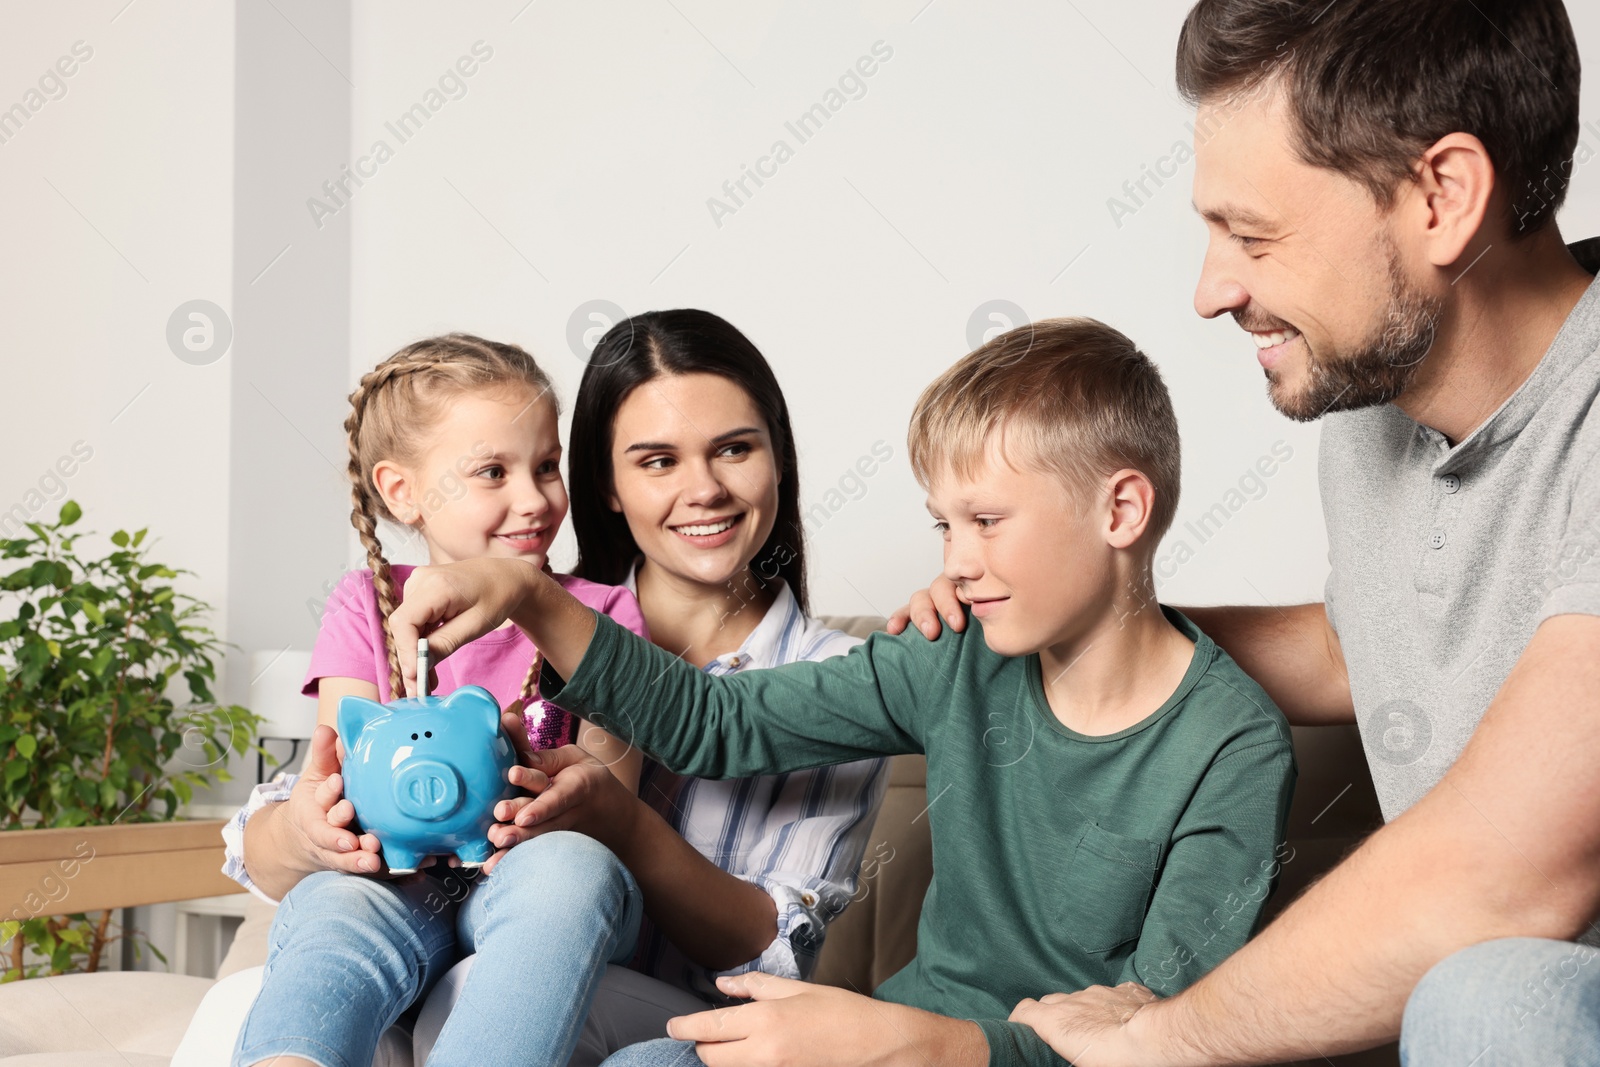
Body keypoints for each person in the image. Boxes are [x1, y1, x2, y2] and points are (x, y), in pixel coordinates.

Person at [895, 2, 1600, 1064]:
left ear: (1442, 196)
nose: (1210, 289)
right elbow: (1358, 642)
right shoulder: (1372, 417)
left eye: (1253, 234)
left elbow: (1502, 875)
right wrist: (1085, 625)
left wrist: (1157, 1037)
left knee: (1488, 996)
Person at [386, 317, 1299, 1067]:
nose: (957, 563)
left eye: (985, 522)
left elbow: (1166, 1034)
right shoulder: (955, 656)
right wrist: (529, 593)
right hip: (900, 1034)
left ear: (1121, 511)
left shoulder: (1233, 744)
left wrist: (924, 1040)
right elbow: (711, 722)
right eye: (945, 525)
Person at [183, 312, 888, 1067]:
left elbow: (614, 808)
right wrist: (308, 830)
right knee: (308, 934)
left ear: (779, 457)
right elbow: (324, 778)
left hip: (609, 969)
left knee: (559, 881)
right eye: (656, 460)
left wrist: (534, 619)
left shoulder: (827, 677)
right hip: (407, 912)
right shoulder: (374, 604)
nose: (703, 488)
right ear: (610, 485)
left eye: (736, 448)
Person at [230, 333, 649, 1067]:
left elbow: (616, 806)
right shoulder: (366, 604)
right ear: (401, 491)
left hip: (539, 879)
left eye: (547, 466)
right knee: (334, 906)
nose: (536, 498)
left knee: (572, 871)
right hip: (397, 882)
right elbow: (338, 770)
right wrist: (323, 827)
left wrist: (552, 792)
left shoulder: (604, 614)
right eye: (493, 471)